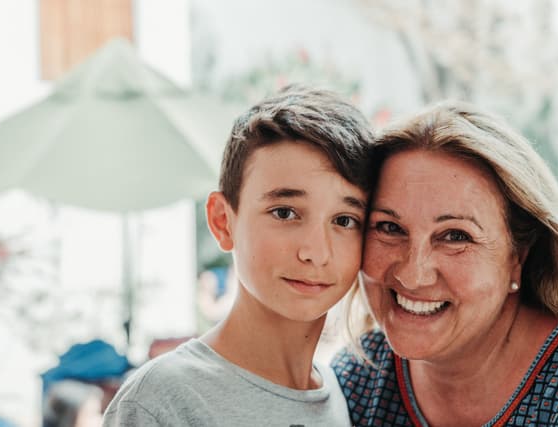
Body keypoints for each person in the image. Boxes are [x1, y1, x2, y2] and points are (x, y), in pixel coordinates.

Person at [102, 84, 374, 426]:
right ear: (222, 222)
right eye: (285, 213)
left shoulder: (339, 396)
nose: (315, 253)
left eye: (345, 220)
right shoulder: (161, 402)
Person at [332, 101, 558, 426]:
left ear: (517, 257)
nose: (413, 275)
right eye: (389, 227)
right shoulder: (358, 381)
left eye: (455, 236)